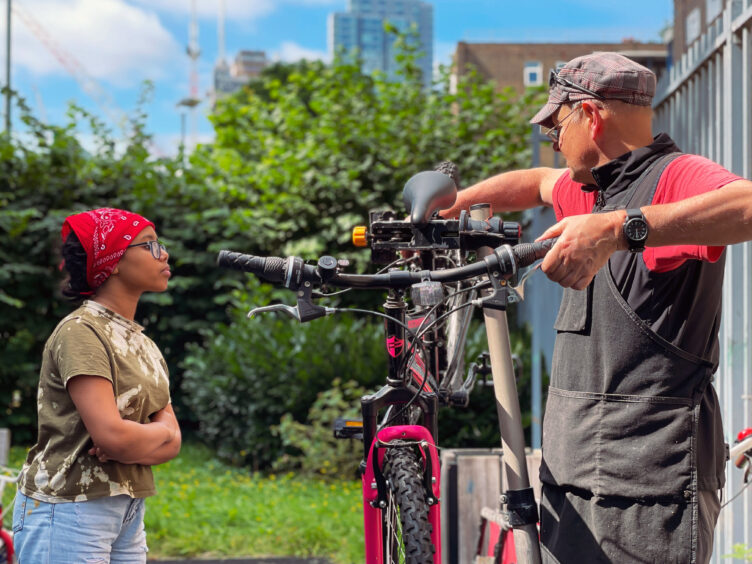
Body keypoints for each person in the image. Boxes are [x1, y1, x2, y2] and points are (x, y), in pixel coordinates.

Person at [441, 53, 748, 563]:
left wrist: (616, 230)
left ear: (590, 114)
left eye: (557, 125)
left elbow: (746, 206)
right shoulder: (591, 189)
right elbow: (536, 182)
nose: (553, 140)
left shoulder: (674, 178)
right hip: (572, 476)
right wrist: (453, 208)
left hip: (648, 490)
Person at [12, 208, 181, 564]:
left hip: (127, 508)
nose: (163, 254)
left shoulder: (143, 343)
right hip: (69, 507)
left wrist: (144, 437)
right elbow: (113, 438)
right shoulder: (82, 332)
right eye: (148, 245)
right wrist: (149, 433)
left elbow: (172, 443)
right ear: (113, 261)